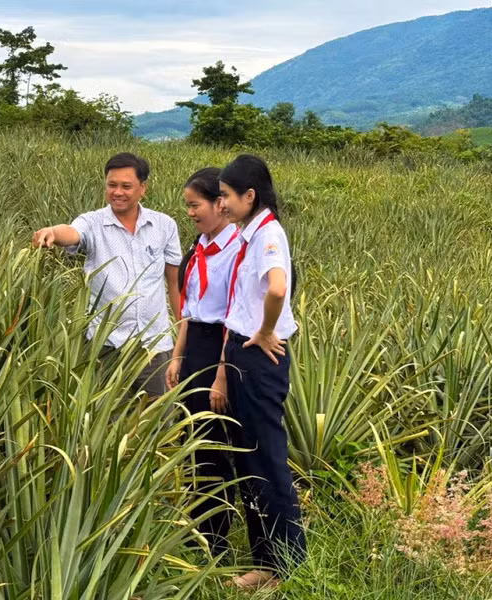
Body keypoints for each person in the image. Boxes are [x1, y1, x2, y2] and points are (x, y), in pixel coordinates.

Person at [214, 154, 306, 590]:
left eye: (227, 196)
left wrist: (266, 330)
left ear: (249, 196)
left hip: (257, 357)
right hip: (240, 352)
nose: (222, 204)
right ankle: (266, 560)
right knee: (251, 457)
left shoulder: (267, 233)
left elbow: (277, 287)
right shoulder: (248, 232)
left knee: (265, 460)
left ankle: (282, 565)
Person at [32, 152, 182, 397]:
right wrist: (51, 232)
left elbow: (175, 283)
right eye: (112, 185)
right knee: (106, 420)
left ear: (142, 188)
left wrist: (181, 338)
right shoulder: (92, 223)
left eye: (126, 186)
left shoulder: (164, 225)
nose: (117, 192)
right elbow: (71, 232)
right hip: (106, 346)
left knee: (159, 420)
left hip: (154, 346)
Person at [164, 167, 240, 555]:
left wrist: (222, 377)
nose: (191, 213)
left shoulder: (237, 250)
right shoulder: (198, 247)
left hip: (220, 351)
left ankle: (216, 540)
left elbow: (234, 316)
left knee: (213, 444)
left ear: (220, 204)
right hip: (195, 345)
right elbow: (189, 310)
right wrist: (178, 357)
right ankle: (196, 529)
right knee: (190, 439)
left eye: (196, 205)